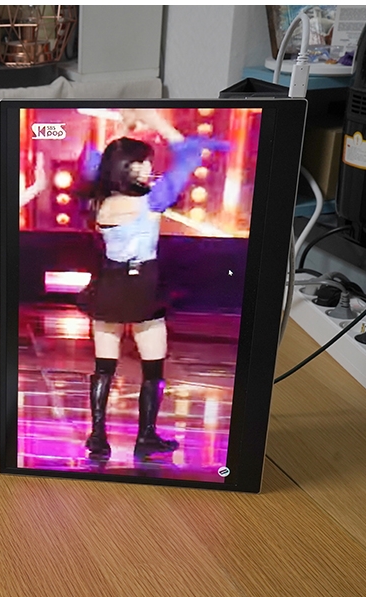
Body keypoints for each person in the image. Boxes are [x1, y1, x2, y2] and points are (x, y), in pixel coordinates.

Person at [82, 109, 218, 462]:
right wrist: (156, 122)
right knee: (152, 366)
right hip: (142, 285)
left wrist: (122, 130)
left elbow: (92, 159)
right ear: (122, 167)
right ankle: (145, 436)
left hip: (110, 284)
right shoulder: (152, 200)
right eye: (139, 163)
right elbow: (188, 157)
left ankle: (98, 437)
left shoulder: (99, 201)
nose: (146, 169)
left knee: (104, 367)